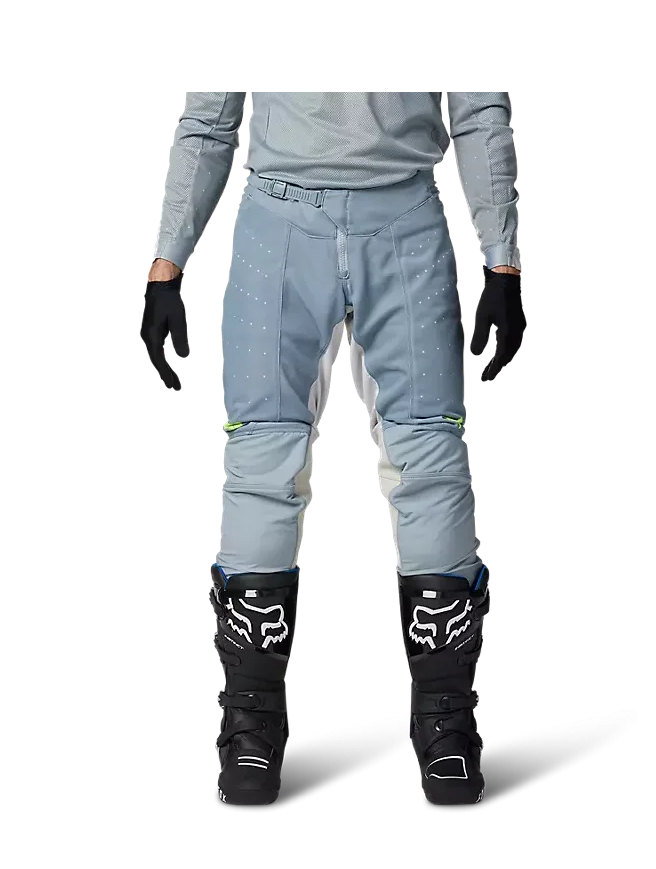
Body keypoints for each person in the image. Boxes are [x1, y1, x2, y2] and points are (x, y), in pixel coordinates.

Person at [141, 87, 523, 808]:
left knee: (432, 455)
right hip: (278, 219)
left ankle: (444, 718)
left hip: (404, 213)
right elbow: (210, 114)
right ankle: (251, 722)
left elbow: (479, 106)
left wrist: (504, 264)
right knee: (259, 455)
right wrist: (167, 263)